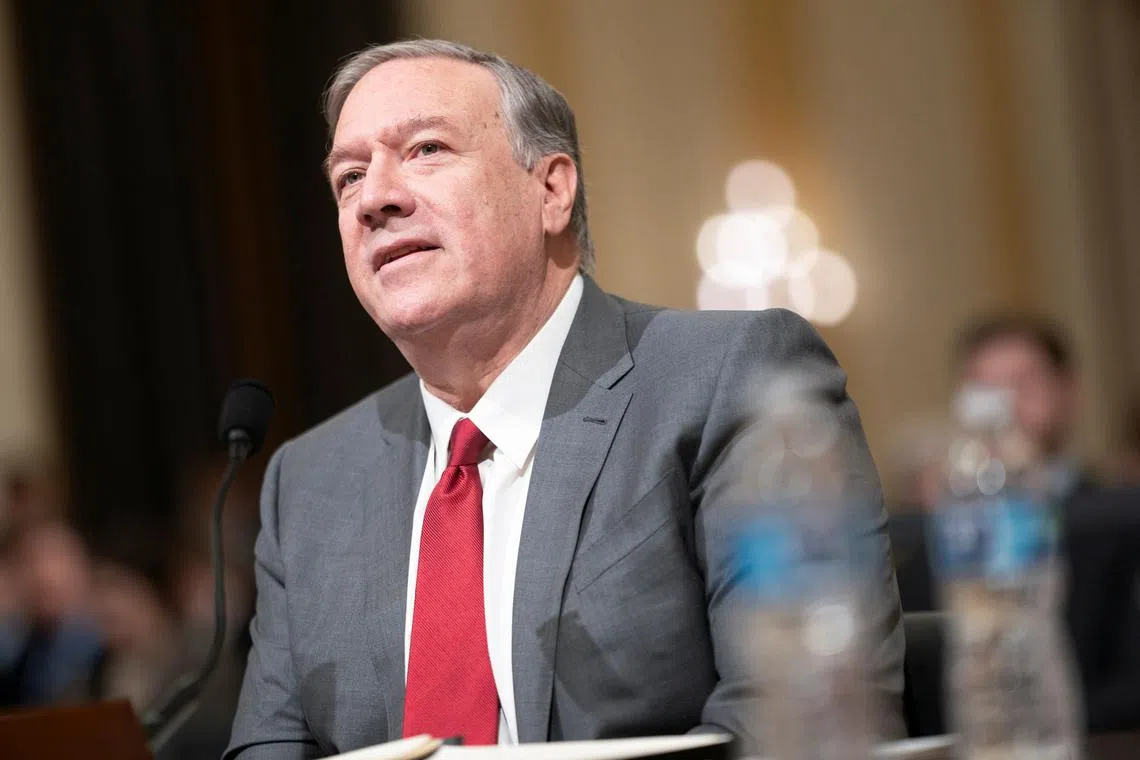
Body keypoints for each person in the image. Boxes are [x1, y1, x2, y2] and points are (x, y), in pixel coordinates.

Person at [225, 39, 904, 759]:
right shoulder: (310, 482)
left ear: (551, 190)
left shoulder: (726, 380)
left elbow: (801, 717)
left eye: (425, 149)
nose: (375, 199)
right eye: (349, 176)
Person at [891, 313, 1140, 732]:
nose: (1001, 406)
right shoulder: (933, 537)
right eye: (982, 388)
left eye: (1023, 384)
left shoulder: (1118, 520)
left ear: (1067, 392)